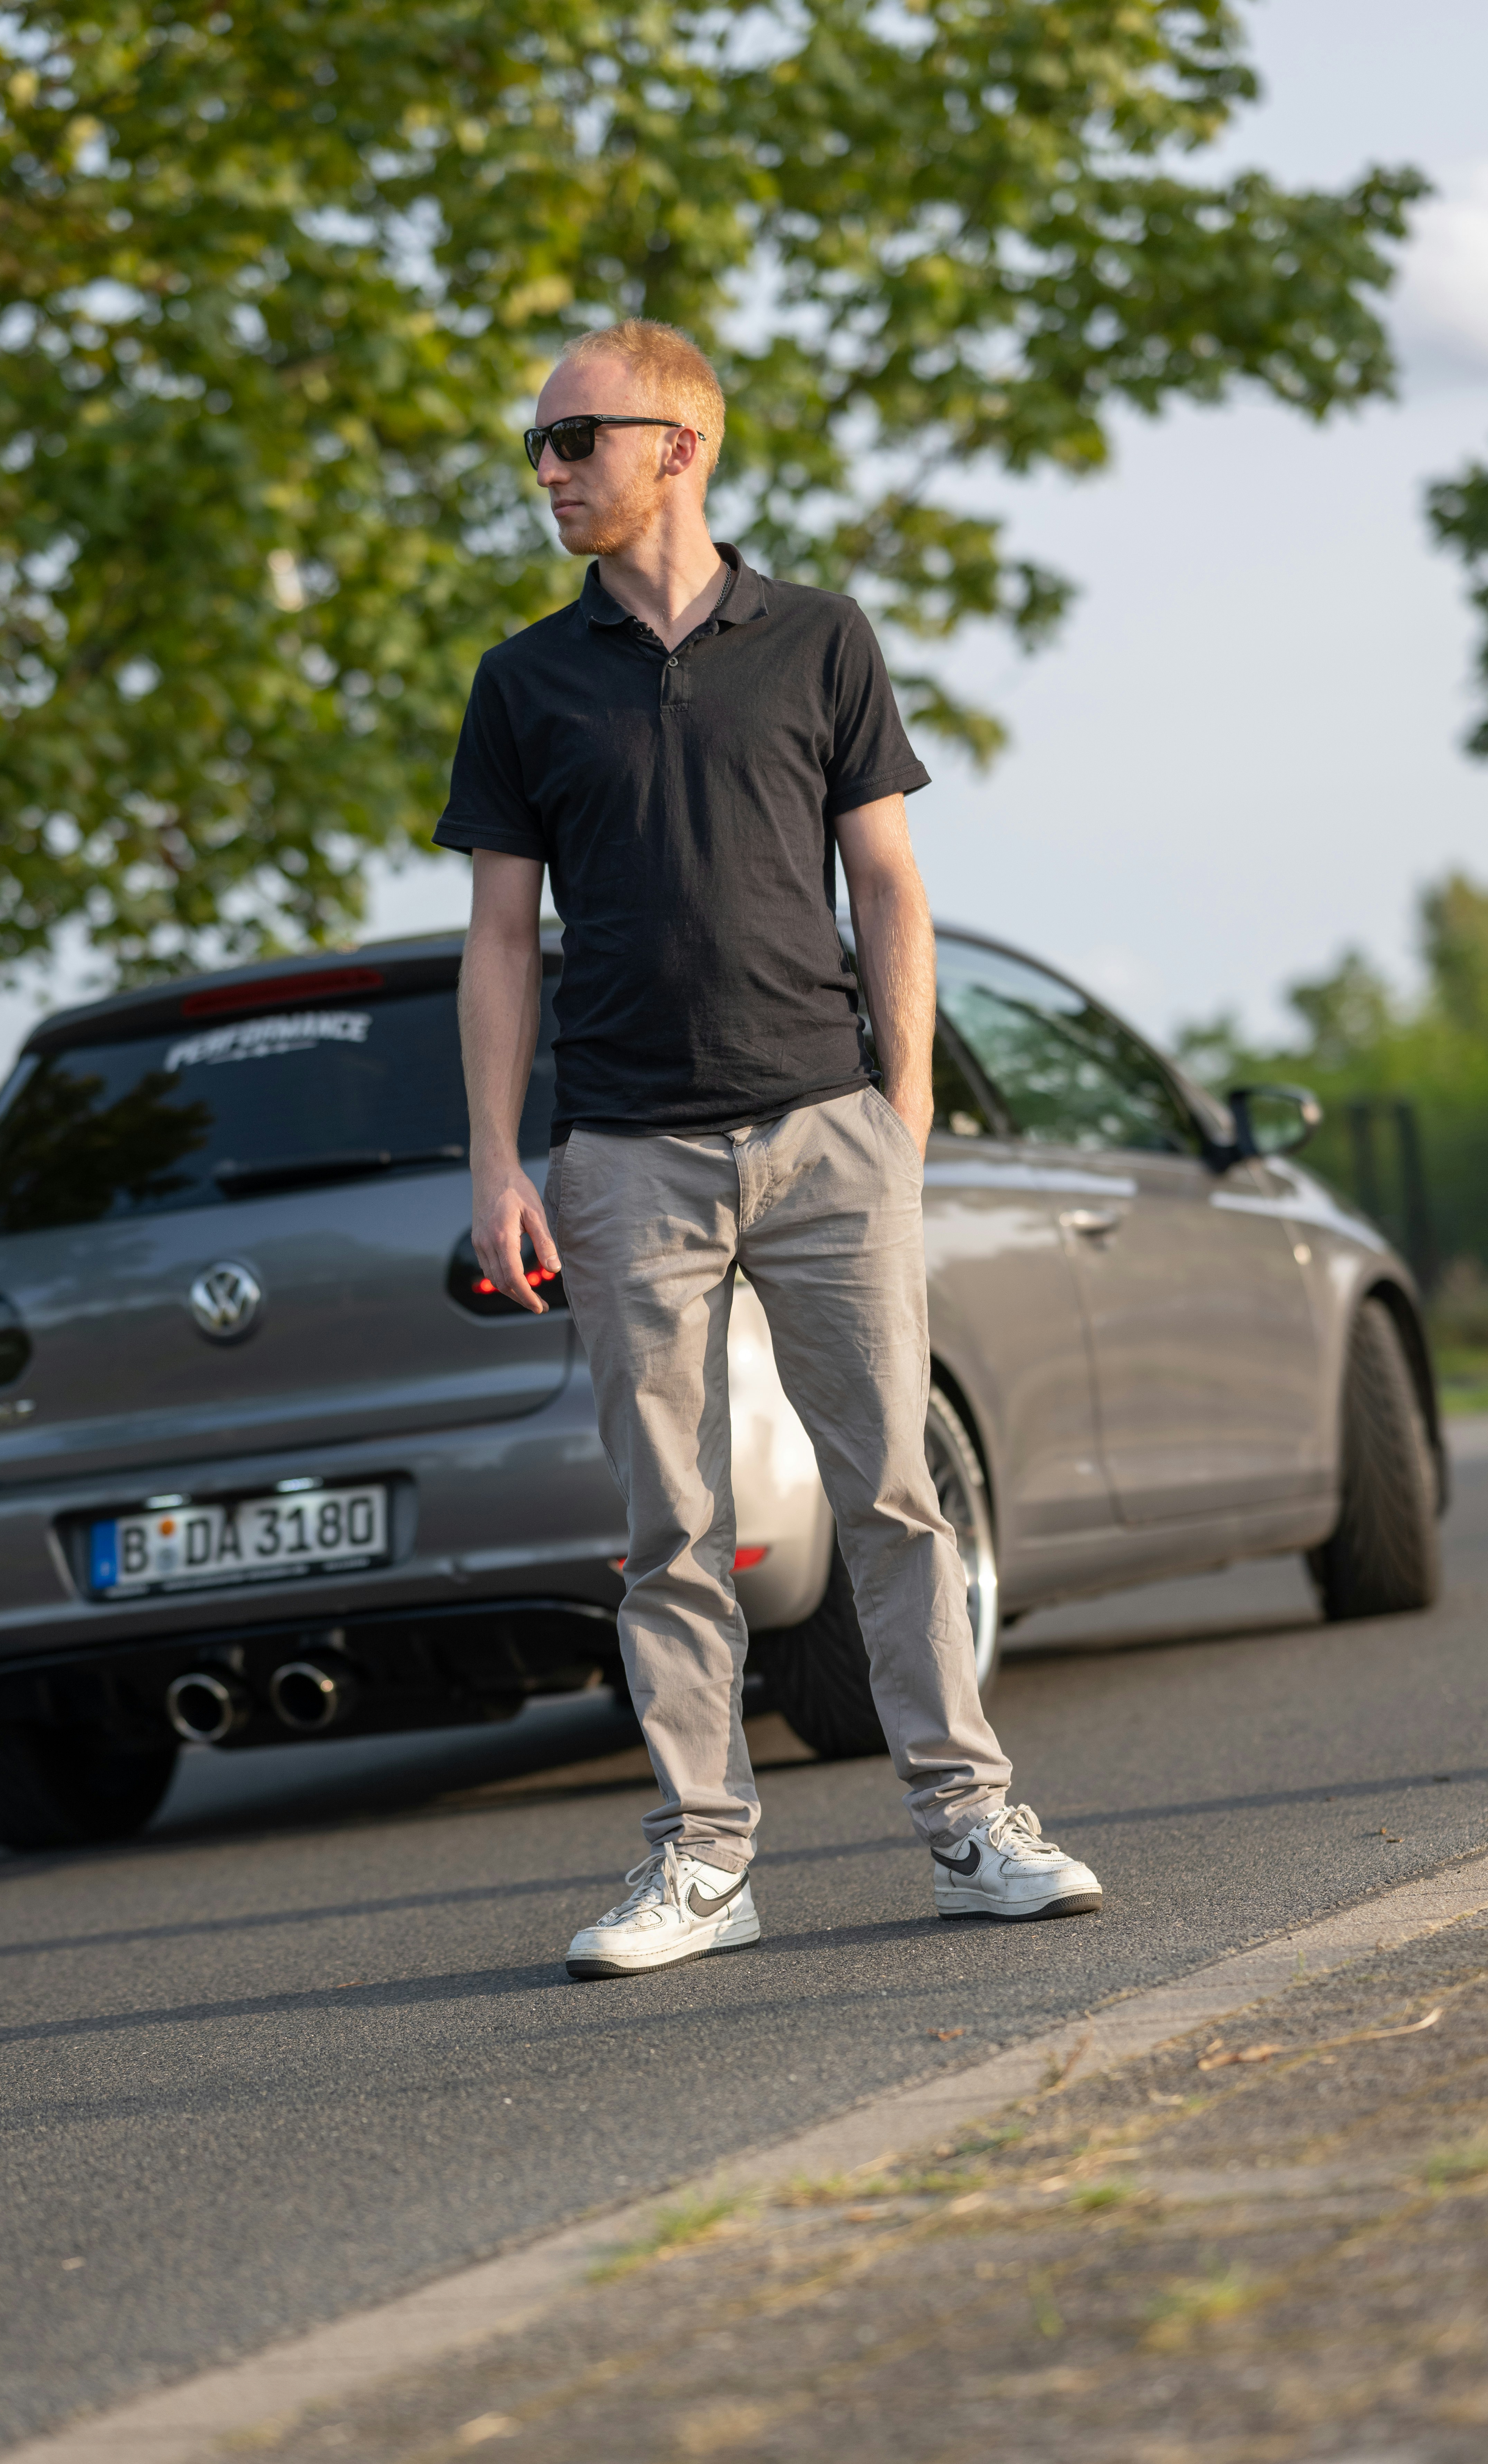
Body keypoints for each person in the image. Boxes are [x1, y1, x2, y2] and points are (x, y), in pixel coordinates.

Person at [436, 319, 1102, 1979]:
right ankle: (702, 1860)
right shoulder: (523, 681)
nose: (548, 470)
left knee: (889, 1492)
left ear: (680, 444)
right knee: (672, 1524)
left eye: (575, 437)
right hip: (622, 1153)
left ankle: (969, 1827)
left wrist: (904, 1110)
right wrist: (499, 1162)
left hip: (824, 1131)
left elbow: (887, 883)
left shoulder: (818, 639)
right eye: (540, 444)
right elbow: (503, 939)